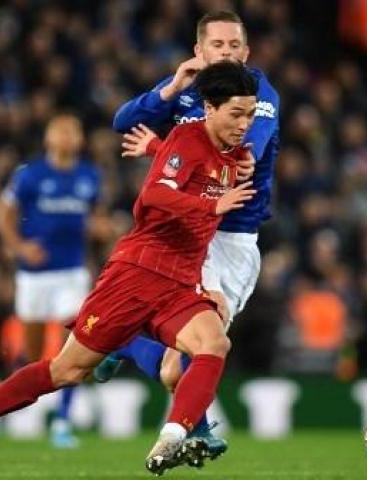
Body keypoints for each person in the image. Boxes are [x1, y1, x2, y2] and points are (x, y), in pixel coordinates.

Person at [0, 61, 259, 476]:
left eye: (250, 114)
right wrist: (209, 204)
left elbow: (184, 169)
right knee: (67, 369)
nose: (244, 123)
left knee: (214, 344)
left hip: (182, 280)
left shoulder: (234, 156)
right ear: (209, 108)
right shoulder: (188, 136)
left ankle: (172, 437)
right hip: (137, 273)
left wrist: (155, 150)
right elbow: (154, 196)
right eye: (235, 113)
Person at [96, 10, 280, 464]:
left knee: (180, 357)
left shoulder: (259, 93)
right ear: (199, 51)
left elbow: (244, 144)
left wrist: (162, 148)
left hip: (234, 235)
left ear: (246, 52)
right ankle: (191, 432)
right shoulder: (187, 89)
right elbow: (123, 120)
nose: (227, 53)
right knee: (200, 344)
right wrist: (174, 86)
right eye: (217, 46)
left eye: (234, 45)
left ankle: (129, 343)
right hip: (187, 232)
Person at [0, 113, 101, 448]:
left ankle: (62, 422)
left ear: (80, 139)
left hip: (71, 272)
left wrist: (102, 229)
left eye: (74, 131)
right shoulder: (30, 175)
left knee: (76, 348)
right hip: (34, 275)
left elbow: (94, 218)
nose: (68, 137)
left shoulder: (90, 176)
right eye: (61, 131)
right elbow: (3, 215)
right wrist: (19, 247)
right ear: (49, 138)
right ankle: (11, 402)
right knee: (34, 353)